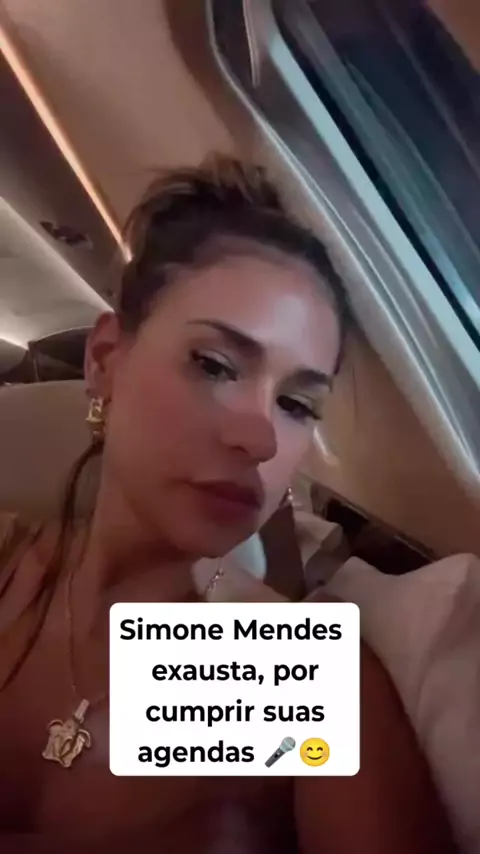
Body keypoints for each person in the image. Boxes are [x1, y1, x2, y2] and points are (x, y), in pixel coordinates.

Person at [0, 155, 456, 852]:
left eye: (297, 405)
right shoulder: (6, 564)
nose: (261, 439)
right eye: (214, 365)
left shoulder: (291, 679)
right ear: (106, 361)